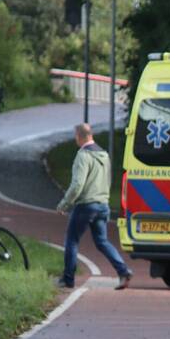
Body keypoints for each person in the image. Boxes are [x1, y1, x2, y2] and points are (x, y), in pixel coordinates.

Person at [56, 123, 133, 290]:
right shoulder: (104, 155)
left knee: (72, 240)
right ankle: (123, 270)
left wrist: (64, 203)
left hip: (86, 205)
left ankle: (68, 278)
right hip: (102, 204)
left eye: (76, 136)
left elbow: (77, 184)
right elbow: (108, 179)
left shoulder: (83, 156)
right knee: (102, 241)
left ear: (79, 136)